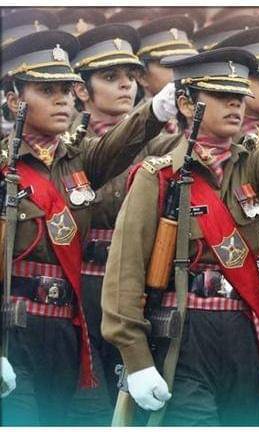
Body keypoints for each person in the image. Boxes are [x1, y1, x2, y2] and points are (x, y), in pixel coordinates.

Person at [100, 47, 259, 426]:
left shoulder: (255, 167)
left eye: (239, 96)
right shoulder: (158, 176)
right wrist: (136, 359)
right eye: (222, 95)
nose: (235, 104)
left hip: (248, 332)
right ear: (186, 104)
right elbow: (124, 273)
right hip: (185, 334)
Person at [0, 28, 171, 426]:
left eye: (66, 89)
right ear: (14, 100)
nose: (62, 99)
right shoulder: (5, 166)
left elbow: (121, 143)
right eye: (47, 90)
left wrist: (158, 110)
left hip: (72, 330)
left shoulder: (80, 161)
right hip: (14, 332)